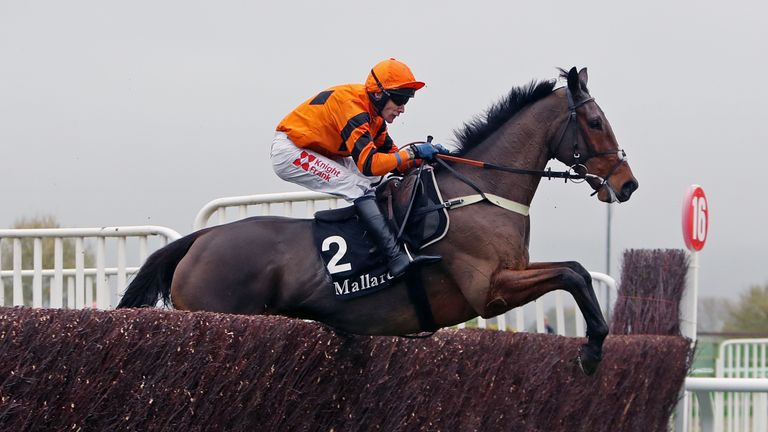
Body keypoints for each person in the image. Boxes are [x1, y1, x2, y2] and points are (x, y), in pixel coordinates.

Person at [271, 58, 444, 278]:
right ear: (378, 94)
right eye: (399, 99)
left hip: (323, 152)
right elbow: (370, 164)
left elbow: (392, 161)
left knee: (376, 181)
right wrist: (412, 152)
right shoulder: (354, 108)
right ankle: (395, 257)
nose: (402, 109)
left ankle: (387, 242)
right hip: (290, 151)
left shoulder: (376, 118)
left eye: (406, 101)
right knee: (358, 186)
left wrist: (428, 159)